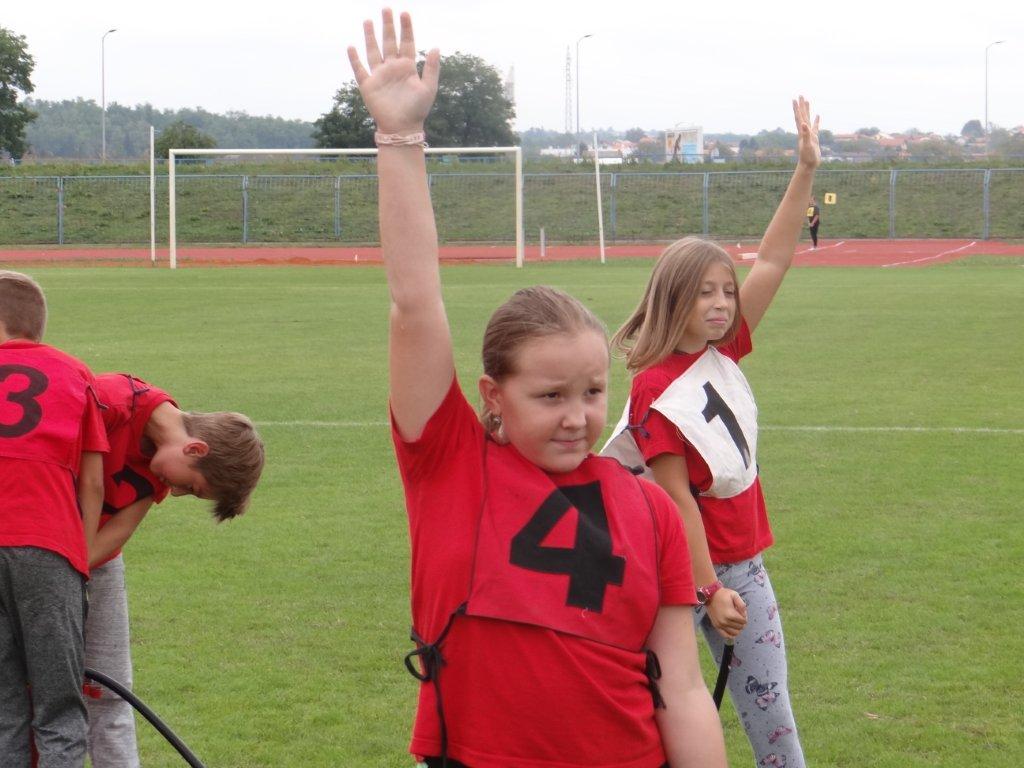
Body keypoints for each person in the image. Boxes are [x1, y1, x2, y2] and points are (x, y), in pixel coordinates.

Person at [348, 10, 727, 768]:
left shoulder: (649, 507)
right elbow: (415, 302)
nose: (578, 417)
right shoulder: (449, 463)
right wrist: (399, 138)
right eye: (548, 396)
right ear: (493, 395)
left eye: (591, 392)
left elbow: (682, 687)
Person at [603, 98, 820, 768]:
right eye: (705, 293)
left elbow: (776, 262)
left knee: (770, 713)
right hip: (681, 574)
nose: (723, 303)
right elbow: (676, 501)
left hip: (742, 568)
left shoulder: (719, 353)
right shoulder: (655, 384)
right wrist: (708, 590)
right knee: (658, 713)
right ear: (673, 297)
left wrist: (805, 169)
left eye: (727, 290)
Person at [85, 372, 264, 768]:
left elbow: (119, 531)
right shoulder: (112, 399)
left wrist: (70, 568)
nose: (177, 492)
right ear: (195, 449)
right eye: (194, 488)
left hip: (93, 562)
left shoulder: (157, 467)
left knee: (112, 692)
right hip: (32, 555)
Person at [0, 270, 108, 768]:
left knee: (4, 708)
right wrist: (81, 559)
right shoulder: (75, 372)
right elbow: (92, 483)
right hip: (47, 545)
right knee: (60, 706)